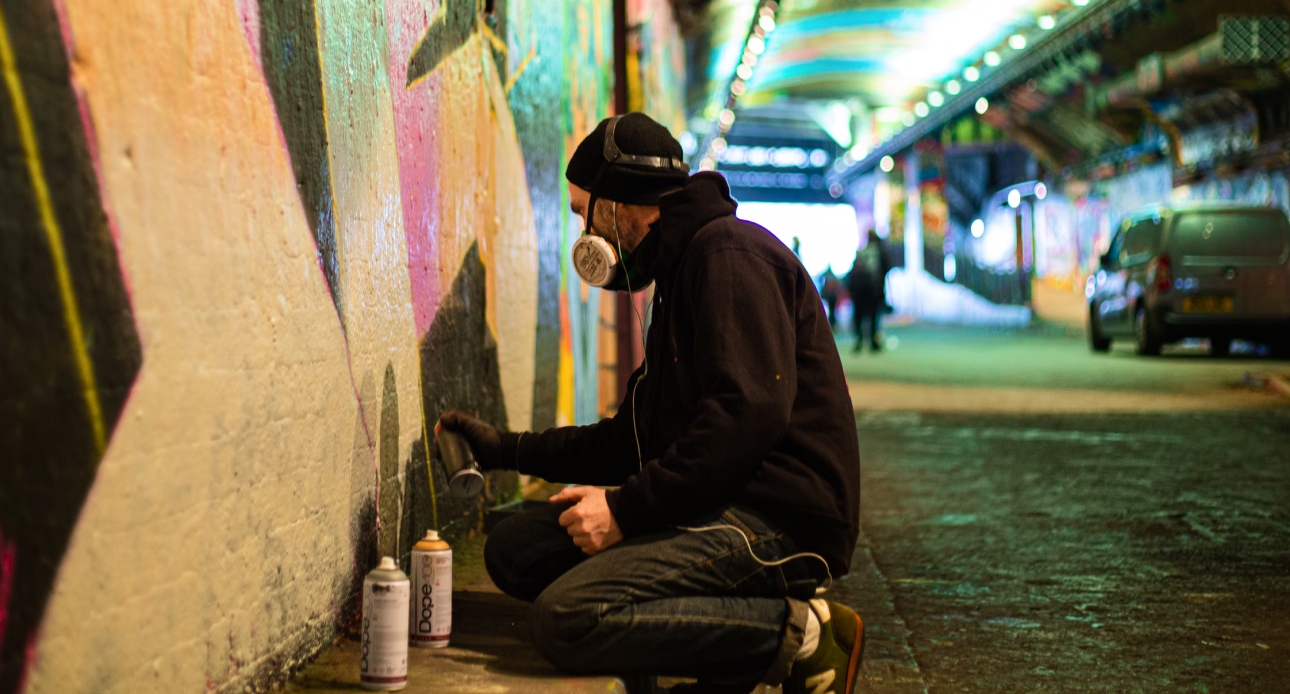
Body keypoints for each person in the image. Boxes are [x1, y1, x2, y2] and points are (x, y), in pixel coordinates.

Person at [438, 113, 862, 694]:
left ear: (618, 202)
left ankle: (800, 634)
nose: (584, 230)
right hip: (721, 498)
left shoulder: (729, 257)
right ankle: (703, 645)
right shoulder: (682, 270)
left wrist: (624, 512)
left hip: (776, 520)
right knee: (518, 550)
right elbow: (629, 439)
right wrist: (504, 450)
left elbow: (745, 419)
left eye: (584, 211)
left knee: (567, 617)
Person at [847, 230, 890, 353]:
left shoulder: (862, 251)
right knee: (873, 314)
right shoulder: (879, 251)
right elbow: (887, 267)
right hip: (873, 288)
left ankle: (858, 339)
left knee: (859, 314)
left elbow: (853, 270)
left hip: (859, 288)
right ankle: (872, 341)